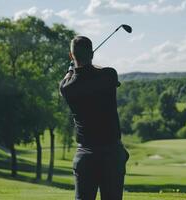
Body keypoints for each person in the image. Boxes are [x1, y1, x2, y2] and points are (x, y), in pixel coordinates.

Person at [59, 36, 129, 200]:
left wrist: (72, 67)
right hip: (112, 155)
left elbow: (68, 78)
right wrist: (86, 61)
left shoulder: (67, 88)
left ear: (71, 55)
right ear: (92, 54)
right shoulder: (109, 75)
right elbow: (96, 69)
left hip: (86, 156)